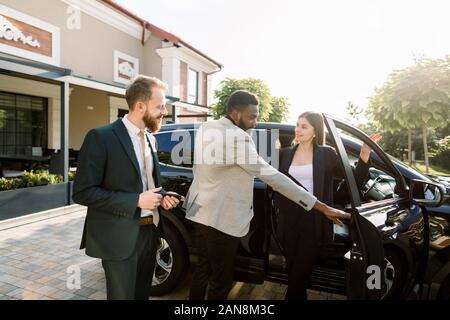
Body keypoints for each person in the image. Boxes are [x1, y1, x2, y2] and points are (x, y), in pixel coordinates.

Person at [183, 90, 351, 300]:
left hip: (198, 213)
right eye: (251, 117)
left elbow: (197, 168)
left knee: (202, 272)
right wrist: (321, 206)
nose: (255, 123)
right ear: (236, 114)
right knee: (221, 281)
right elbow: (272, 177)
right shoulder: (238, 138)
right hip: (221, 222)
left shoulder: (207, 127)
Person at [72, 75, 181, 300]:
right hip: (118, 237)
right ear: (140, 106)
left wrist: (163, 195)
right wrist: (136, 201)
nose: (164, 111)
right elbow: (82, 192)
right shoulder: (100, 137)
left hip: (151, 233)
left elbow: (146, 183)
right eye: (160, 106)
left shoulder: (151, 139)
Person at [273, 111, 381, 300]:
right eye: (297, 125)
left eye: (304, 126)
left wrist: (365, 152)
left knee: (298, 277)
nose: (297, 129)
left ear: (315, 131)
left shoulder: (326, 154)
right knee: (294, 274)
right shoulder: (283, 154)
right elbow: (271, 183)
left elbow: (354, 179)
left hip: (313, 222)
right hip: (287, 221)